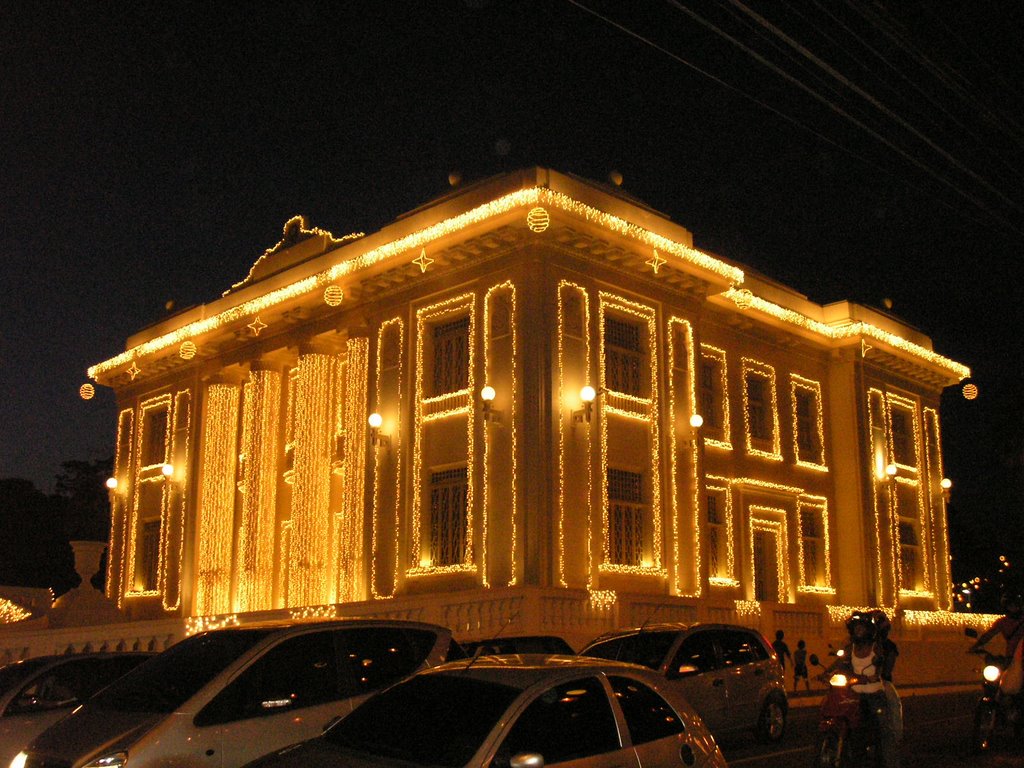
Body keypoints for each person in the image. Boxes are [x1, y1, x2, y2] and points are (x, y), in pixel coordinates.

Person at [821, 611, 900, 768]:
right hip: (854, 692)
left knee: (883, 730)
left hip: (873, 693)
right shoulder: (851, 647)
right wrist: (825, 673)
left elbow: (882, 663)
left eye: (861, 628)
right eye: (855, 628)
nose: (858, 631)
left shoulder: (877, 647)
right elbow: (840, 662)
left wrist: (877, 674)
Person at [969, 591, 1024, 658]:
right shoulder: (1002, 622)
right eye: (1011, 606)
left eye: (1016, 605)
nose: (1015, 608)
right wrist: (977, 645)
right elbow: (989, 634)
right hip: (1012, 657)